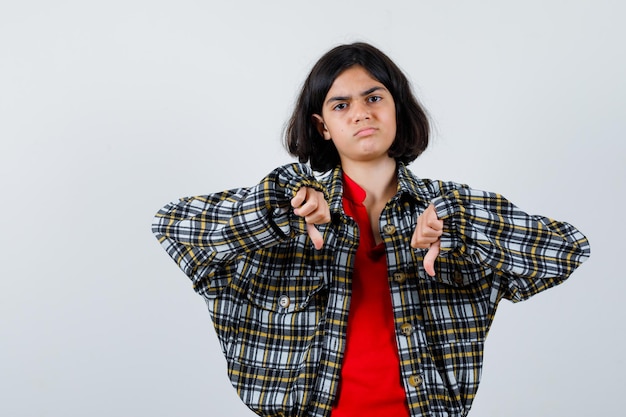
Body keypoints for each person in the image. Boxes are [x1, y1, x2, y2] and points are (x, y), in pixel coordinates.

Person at [152, 42, 590, 417]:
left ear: (397, 106)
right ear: (322, 126)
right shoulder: (289, 211)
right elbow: (170, 224)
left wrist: (458, 230)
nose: (361, 113)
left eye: (374, 98)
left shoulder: (451, 208)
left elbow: (566, 250)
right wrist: (280, 211)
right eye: (341, 105)